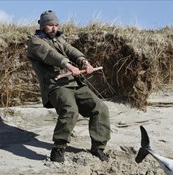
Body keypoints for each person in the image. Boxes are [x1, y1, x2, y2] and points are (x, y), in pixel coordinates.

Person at [27, 10, 111, 162]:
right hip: (55, 85)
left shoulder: (59, 39)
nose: (54, 28)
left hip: (74, 83)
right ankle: (59, 148)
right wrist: (69, 66)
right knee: (70, 111)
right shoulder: (35, 41)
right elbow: (51, 55)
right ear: (43, 25)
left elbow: (71, 51)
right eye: (50, 25)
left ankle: (98, 147)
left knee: (100, 108)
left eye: (56, 25)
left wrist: (84, 62)